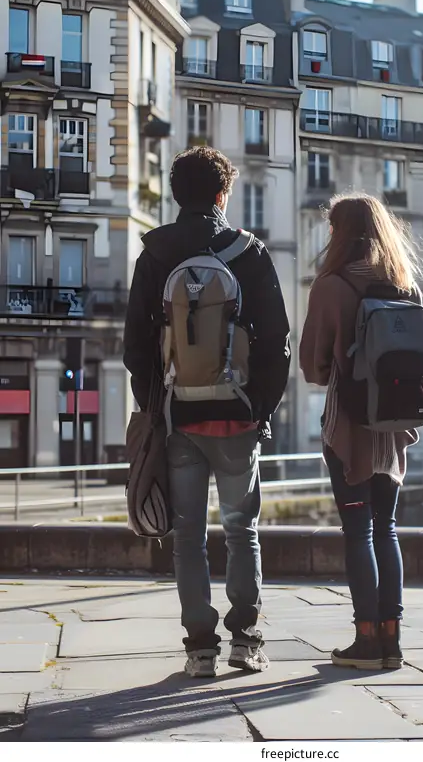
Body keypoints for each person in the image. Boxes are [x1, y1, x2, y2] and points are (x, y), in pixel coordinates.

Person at [124, 146, 290, 677]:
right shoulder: (249, 252)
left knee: (187, 536)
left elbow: (134, 349)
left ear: (176, 194)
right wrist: (260, 407)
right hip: (238, 416)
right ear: (223, 194)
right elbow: (277, 340)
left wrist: (157, 406)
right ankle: (246, 639)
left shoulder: (155, 254)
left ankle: (199, 649)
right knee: (242, 529)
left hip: (179, 419)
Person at [299, 193, 422, 671]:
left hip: (348, 427)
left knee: (357, 533)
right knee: (386, 528)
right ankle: (391, 641)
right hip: (392, 429)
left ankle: (365, 639)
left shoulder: (330, 286)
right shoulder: (404, 283)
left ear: (339, 232)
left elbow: (313, 366)